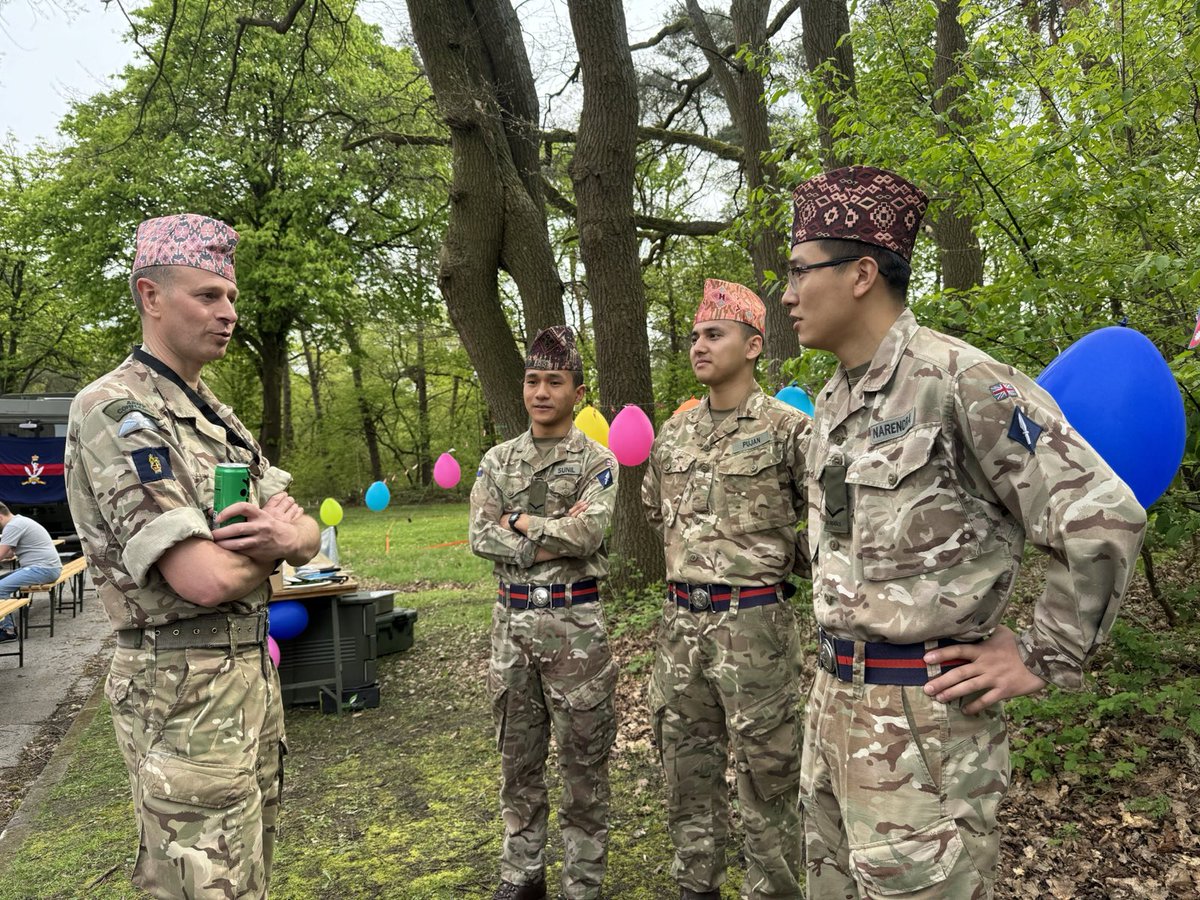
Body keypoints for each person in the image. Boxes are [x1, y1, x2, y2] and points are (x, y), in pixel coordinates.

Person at [782, 165, 1148, 898]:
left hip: (926, 729)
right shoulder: (832, 401)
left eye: (798, 271)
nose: (786, 295)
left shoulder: (962, 381)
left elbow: (1102, 514)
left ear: (860, 274)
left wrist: (1043, 651)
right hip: (831, 709)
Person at [65, 213, 320, 900]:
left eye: (231, 297)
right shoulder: (116, 413)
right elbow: (202, 578)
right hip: (182, 688)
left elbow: (309, 531)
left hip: (243, 681)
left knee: (245, 877)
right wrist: (276, 547)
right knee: (201, 886)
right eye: (208, 295)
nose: (228, 312)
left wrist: (285, 538)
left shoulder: (213, 414)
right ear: (150, 296)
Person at [642, 279, 810, 900]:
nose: (699, 346)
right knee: (687, 770)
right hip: (680, 625)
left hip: (755, 627)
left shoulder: (790, 432)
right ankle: (697, 886)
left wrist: (761, 562)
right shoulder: (673, 435)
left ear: (754, 344)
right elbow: (659, 515)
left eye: (714, 334)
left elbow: (823, 533)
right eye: (694, 336)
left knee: (770, 773)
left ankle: (774, 890)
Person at [468, 325, 620, 900]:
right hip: (510, 630)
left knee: (584, 765)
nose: (540, 392)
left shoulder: (597, 460)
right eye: (533, 380)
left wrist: (524, 523)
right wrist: (551, 535)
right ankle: (522, 873)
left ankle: (584, 882)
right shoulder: (498, 460)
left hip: (574, 631)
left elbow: (590, 533)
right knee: (518, 761)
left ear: (576, 392)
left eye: (554, 381)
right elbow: (480, 538)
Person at [0, 503, 63, 639]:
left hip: (43, 569)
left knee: (0, 589)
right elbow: (9, 553)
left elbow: (1, 553)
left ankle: (8, 631)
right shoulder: (19, 521)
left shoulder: (12, 526)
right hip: (47, 567)